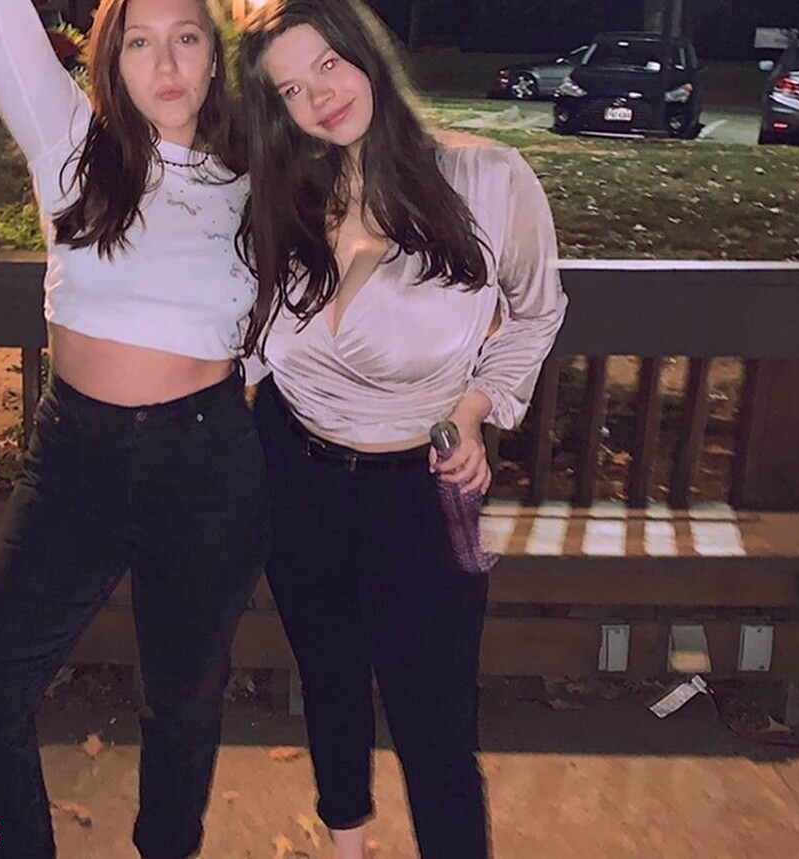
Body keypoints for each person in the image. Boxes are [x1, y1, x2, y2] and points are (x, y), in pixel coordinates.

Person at [0, 1, 269, 857]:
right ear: (110, 61)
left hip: (208, 462)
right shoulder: (70, 145)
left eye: (186, 38)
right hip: (77, 462)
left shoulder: (252, 180)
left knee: (184, 701)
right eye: (140, 43)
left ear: (215, 58)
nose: (167, 65)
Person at [235, 2, 568, 857]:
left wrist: (474, 408)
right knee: (329, 679)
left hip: (418, 490)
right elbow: (248, 344)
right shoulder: (280, 200)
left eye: (328, 65)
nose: (320, 97)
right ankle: (345, 844)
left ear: (366, 53)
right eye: (292, 89)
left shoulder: (487, 180)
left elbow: (536, 313)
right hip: (294, 474)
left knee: (436, 723)